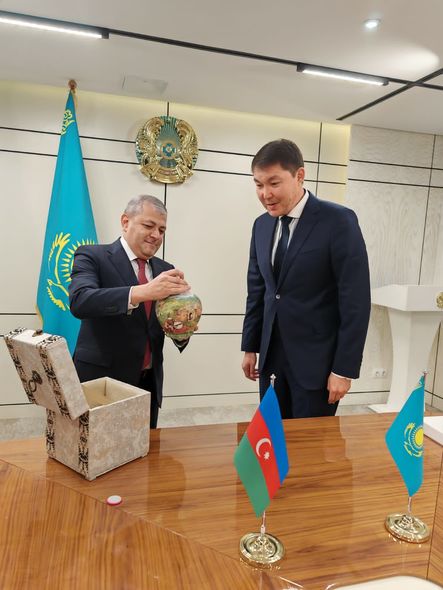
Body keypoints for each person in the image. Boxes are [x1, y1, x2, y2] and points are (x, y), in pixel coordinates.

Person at [241, 139, 371, 419]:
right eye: (258, 184)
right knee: (272, 435)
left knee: (311, 443)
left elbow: (356, 302)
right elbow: (258, 291)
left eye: (274, 183)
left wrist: (344, 370)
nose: (265, 194)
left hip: (318, 364)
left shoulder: (338, 221)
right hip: (271, 358)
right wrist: (250, 346)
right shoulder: (261, 225)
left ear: (299, 175)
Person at [69, 194, 192, 428]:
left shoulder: (166, 269)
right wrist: (143, 292)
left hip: (147, 385)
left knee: (146, 449)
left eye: (162, 230)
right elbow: (80, 301)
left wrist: (183, 327)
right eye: (149, 226)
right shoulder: (92, 255)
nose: (156, 235)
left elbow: (166, 324)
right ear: (125, 222)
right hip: (101, 384)